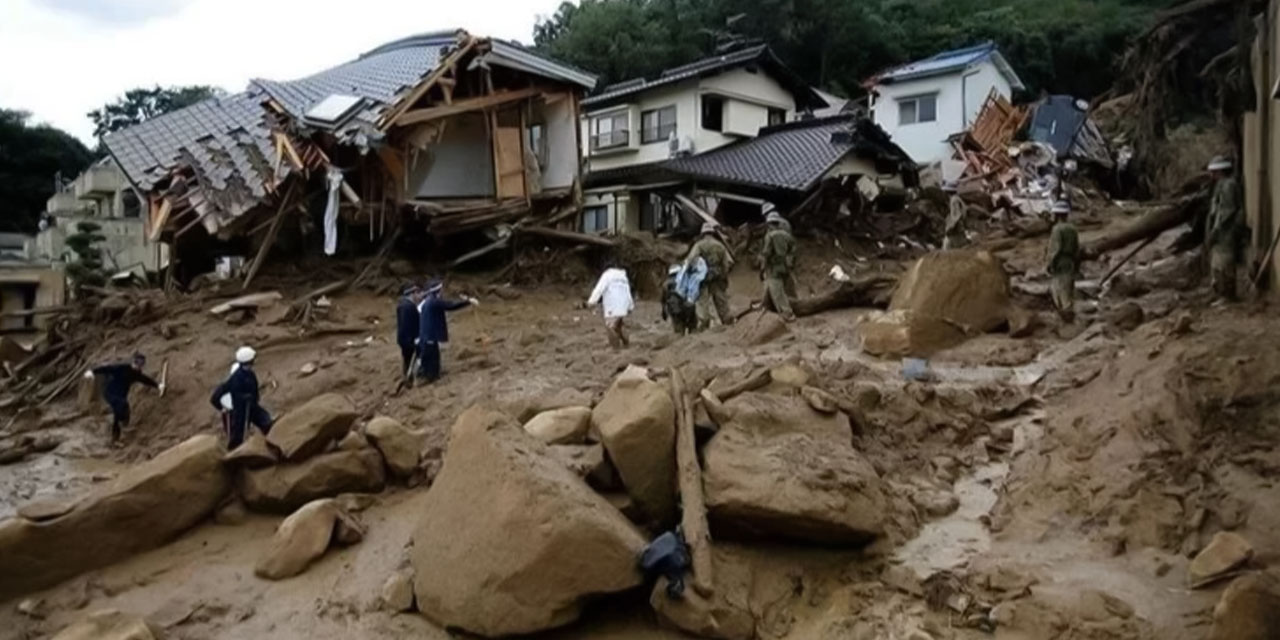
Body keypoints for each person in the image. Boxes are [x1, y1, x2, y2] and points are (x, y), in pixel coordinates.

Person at [86, 352, 161, 442]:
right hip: (110, 392)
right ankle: (122, 425)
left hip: (121, 394)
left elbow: (145, 380)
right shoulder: (122, 368)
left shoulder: (136, 374)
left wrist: (157, 385)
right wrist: (93, 371)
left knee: (118, 414)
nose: (138, 366)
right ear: (133, 362)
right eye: (137, 363)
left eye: (141, 364)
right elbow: (107, 368)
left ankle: (115, 437)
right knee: (122, 405)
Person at [210, 346, 273, 449]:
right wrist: (222, 408)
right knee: (238, 437)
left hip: (251, 406)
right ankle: (235, 456)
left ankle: (271, 442)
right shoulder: (236, 378)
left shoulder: (250, 373)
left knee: (266, 422)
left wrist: (254, 398)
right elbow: (217, 395)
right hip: (240, 411)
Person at [418, 279, 478, 383]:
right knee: (433, 357)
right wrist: (468, 302)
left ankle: (430, 374)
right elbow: (451, 305)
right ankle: (432, 377)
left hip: (425, 334)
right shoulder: (434, 301)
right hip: (430, 334)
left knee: (431, 355)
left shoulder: (427, 301)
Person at [1206, 155, 1244, 300]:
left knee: (1225, 263)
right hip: (1221, 231)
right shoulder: (1221, 185)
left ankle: (1227, 295)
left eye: (1213, 172)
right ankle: (1220, 293)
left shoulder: (1229, 185)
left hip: (1226, 232)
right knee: (1217, 263)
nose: (1211, 175)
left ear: (1220, 172)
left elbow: (1227, 211)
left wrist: (1215, 230)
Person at [685, 222, 735, 330]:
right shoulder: (720, 245)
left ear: (702, 233)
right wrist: (723, 275)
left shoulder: (699, 245)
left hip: (702, 277)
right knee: (721, 301)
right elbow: (729, 263)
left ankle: (704, 325)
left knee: (702, 302)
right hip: (717, 277)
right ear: (712, 233)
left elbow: (691, 260)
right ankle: (728, 323)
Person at [758, 211, 798, 321]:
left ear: (769, 224)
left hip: (774, 267)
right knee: (784, 287)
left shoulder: (769, 236)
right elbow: (794, 249)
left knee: (777, 291)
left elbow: (766, 254)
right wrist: (790, 261)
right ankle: (766, 304)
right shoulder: (786, 235)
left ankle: (787, 313)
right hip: (785, 265)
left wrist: (762, 269)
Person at [1046, 200, 1081, 321]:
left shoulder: (1057, 229)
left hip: (1060, 262)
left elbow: (1055, 249)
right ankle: (1069, 313)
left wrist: (1050, 264)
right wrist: (1077, 265)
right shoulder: (1073, 229)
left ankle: (1066, 318)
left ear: (1057, 214)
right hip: (1070, 261)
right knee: (1069, 288)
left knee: (1060, 290)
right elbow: (1077, 248)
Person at [587, 263, 635, 349]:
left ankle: (615, 348)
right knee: (619, 325)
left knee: (610, 327)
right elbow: (628, 293)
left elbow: (599, 289)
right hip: (623, 306)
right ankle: (626, 343)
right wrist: (630, 306)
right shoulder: (623, 277)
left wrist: (591, 301)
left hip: (612, 306)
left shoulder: (607, 276)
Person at [395, 283, 423, 379]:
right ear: (413, 293)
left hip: (403, 338)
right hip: (409, 339)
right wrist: (413, 339)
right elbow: (407, 325)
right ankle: (410, 377)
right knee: (412, 358)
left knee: (407, 358)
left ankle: (407, 376)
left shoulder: (402, 305)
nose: (419, 296)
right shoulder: (409, 307)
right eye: (417, 293)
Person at [662, 265, 696, 335]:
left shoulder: (665, 284)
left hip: (675, 311)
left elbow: (663, 300)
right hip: (688, 308)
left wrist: (664, 313)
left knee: (678, 333)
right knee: (693, 331)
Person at [942, 182, 969, 250]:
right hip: (958, 224)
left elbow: (957, 214)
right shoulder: (955, 198)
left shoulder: (954, 200)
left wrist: (951, 226)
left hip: (957, 225)